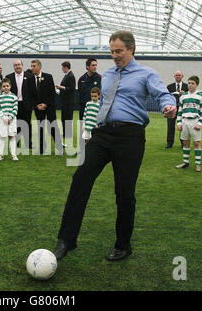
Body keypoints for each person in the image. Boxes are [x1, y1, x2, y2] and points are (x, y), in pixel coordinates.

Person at [54, 31, 176, 262]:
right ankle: (66, 240)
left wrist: (169, 106)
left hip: (130, 136)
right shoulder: (107, 74)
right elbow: (102, 103)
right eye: (112, 51)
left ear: (131, 49)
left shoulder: (146, 73)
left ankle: (123, 245)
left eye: (119, 51)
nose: (114, 56)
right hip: (102, 134)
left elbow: (163, 95)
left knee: (124, 191)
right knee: (80, 179)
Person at [30, 59, 63, 154]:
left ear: (39, 67)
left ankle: (59, 148)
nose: (32, 68)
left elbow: (52, 93)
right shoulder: (30, 79)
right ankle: (41, 149)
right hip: (38, 108)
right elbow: (30, 95)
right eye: (31, 66)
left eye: (34, 66)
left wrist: (45, 104)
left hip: (49, 107)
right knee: (40, 128)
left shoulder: (48, 77)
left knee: (53, 127)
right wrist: (37, 105)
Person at [175, 76, 202, 172]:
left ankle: (198, 164)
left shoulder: (200, 96)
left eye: (192, 83)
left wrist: (199, 123)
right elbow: (179, 111)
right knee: (185, 142)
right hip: (184, 122)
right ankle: (185, 162)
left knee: (196, 143)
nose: (190, 85)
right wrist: (179, 123)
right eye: (189, 83)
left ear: (197, 85)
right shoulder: (183, 96)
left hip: (195, 122)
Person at [6, 60, 35, 149]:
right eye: (15, 65)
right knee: (15, 124)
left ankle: (28, 143)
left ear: (22, 65)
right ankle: (15, 143)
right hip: (14, 105)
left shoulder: (30, 76)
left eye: (19, 65)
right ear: (13, 67)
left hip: (26, 104)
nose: (17, 66)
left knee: (27, 124)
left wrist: (31, 104)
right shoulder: (9, 77)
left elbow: (33, 91)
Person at [0, 78, 19, 161]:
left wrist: (10, 117)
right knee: (2, 136)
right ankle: (1, 154)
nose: (6, 88)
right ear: (1, 87)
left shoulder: (14, 97)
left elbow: (15, 109)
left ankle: (14, 155)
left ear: (10, 86)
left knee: (12, 136)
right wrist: (4, 117)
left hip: (12, 119)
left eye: (7, 86)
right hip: (2, 119)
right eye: (4, 86)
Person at [56, 61, 76, 148]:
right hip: (65, 101)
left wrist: (61, 87)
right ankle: (65, 133)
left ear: (66, 67)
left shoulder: (71, 76)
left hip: (69, 102)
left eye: (62, 67)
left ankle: (67, 134)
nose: (62, 69)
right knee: (64, 118)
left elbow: (72, 89)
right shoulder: (67, 76)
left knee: (67, 118)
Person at [166, 71, 188, 148]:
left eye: (179, 75)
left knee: (182, 126)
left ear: (182, 76)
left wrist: (185, 94)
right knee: (170, 126)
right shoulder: (169, 86)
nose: (178, 76)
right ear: (174, 76)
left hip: (183, 109)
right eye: (176, 75)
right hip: (172, 109)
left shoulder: (187, 86)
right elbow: (166, 97)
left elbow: (189, 97)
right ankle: (169, 143)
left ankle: (183, 143)